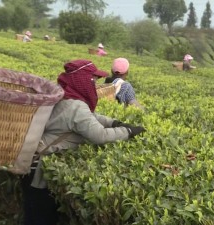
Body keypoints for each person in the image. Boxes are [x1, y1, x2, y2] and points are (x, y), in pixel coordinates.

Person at [20, 59, 146, 225]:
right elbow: (99, 135)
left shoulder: (66, 98)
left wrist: (114, 122)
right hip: (37, 170)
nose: (94, 85)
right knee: (42, 218)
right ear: (82, 81)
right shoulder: (76, 107)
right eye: (92, 80)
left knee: (32, 212)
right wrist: (128, 132)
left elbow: (90, 117)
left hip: (30, 163)